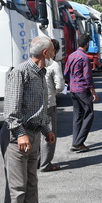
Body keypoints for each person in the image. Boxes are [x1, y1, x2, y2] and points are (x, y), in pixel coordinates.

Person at [1, 36, 56, 203]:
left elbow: (36, 108)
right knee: (17, 186)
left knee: (31, 183)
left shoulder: (41, 73)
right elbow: (12, 111)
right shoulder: (20, 72)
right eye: (52, 50)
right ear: (45, 53)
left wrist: (45, 129)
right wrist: (21, 133)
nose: (54, 53)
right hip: (17, 136)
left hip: (32, 134)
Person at [64, 34, 98, 152]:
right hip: (82, 89)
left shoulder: (71, 56)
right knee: (89, 114)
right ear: (87, 44)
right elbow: (88, 76)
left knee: (77, 116)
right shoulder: (85, 57)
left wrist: (71, 83)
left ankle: (75, 142)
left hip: (73, 89)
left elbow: (66, 73)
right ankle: (79, 142)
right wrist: (93, 92)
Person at [39, 39, 65, 172]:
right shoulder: (54, 65)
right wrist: (53, 92)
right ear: (54, 51)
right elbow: (60, 86)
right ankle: (46, 164)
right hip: (49, 103)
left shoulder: (35, 63)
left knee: (37, 133)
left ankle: (38, 160)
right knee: (49, 134)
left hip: (35, 104)